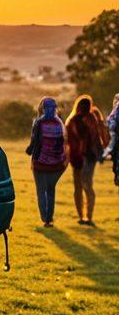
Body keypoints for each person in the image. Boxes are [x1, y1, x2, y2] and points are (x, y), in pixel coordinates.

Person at [65, 95, 107, 226]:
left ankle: (81, 216)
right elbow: (97, 138)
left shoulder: (72, 120)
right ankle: (89, 216)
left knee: (78, 187)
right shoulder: (92, 118)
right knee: (88, 185)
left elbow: (68, 141)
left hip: (77, 157)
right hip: (90, 157)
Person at [26, 97, 68, 227]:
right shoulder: (59, 122)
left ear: (42, 108)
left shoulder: (39, 122)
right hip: (56, 164)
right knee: (51, 191)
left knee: (41, 191)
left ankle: (45, 219)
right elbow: (62, 142)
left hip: (40, 163)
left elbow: (35, 142)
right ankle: (49, 219)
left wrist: (29, 152)